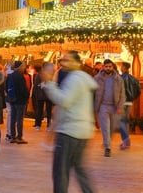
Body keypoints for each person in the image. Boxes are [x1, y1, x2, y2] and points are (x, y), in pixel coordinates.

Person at [41, 50, 98, 193]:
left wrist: (49, 84)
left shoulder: (74, 79)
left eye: (68, 60)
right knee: (79, 168)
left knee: (61, 171)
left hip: (69, 131)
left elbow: (64, 100)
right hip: (82, 130)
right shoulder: (82, 79)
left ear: (77, 63)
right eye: (63, 60)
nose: (64, 63)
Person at [94, 58, 125, 157]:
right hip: (103, 106)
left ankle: (107, 141)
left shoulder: (118, 79)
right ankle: (108, 147)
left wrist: (120, 106)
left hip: (114, 106)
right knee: (105, 127)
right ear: (103, 67)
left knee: (112, 128)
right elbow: (92, 92)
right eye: (106, 66)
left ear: (113, 67)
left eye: (110, 66)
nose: (108, 68)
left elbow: (122, 94)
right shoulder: (97, 78)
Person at [5, 60, 30, 144]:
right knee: (19, 119)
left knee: (13, 118)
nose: (24, 68)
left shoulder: (10, 75)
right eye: (23, 66)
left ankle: (13, 136)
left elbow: (6, 87)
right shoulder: (20, 76)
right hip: (20, 100)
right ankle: (19, 137)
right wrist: (27, 96)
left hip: (12, 100)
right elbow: (23, 89)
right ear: (19, 67)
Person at [119, 61, 141, 150]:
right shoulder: (134, 79)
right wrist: (132, 98)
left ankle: (125, 140)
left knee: (121, 121)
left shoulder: (120, 78)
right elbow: (139, 91)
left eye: (121, 66)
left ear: (124, 67)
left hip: (122, 102)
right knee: (125, 121)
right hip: (129, 102)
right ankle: (125, 140)